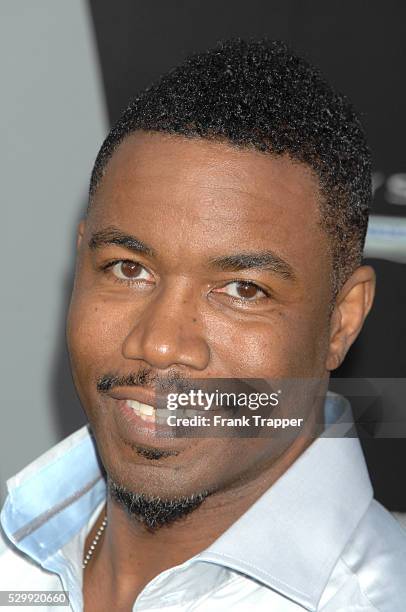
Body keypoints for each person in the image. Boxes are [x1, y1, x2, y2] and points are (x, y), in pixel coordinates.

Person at [1, 38, 405, 612]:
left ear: (341, 321)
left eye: (242, 290)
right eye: (128, 268)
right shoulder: (16, 558)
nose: (160, 342)